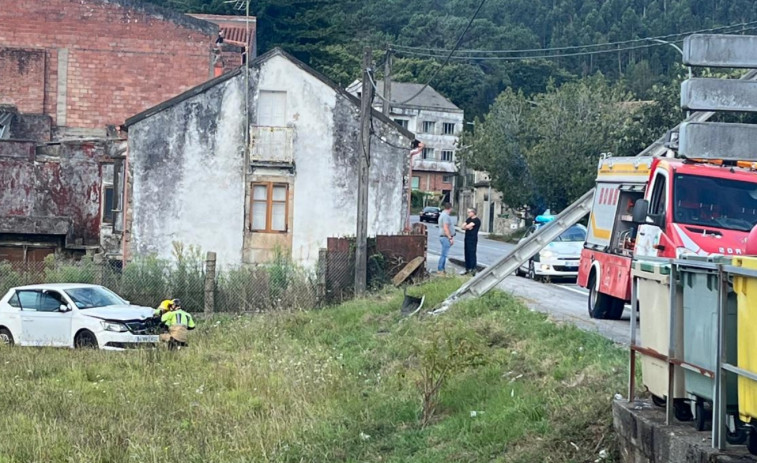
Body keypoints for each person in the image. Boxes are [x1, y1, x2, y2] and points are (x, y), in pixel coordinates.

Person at [461, 208, 481, 275]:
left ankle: (473, 269)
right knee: (467, 253)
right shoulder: (469, 219)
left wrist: (467, 227)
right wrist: (466, 227)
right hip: (467, 238)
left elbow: (467, 226)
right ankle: (467, 268)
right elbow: (462, 226)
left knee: (472, 253)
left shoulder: (476, 220)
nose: (468, 213)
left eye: (469, 212)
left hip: (472, 239)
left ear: (473, 212)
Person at [437, 202, 456, 273]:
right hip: (445, 237)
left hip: (443, 236)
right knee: (444, 254)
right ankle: (440, 269)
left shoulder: (442, 214)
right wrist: (450, 237)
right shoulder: (446, 216)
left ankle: (442, 269)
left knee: (444, 253)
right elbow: (446, 228)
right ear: (450, 208)